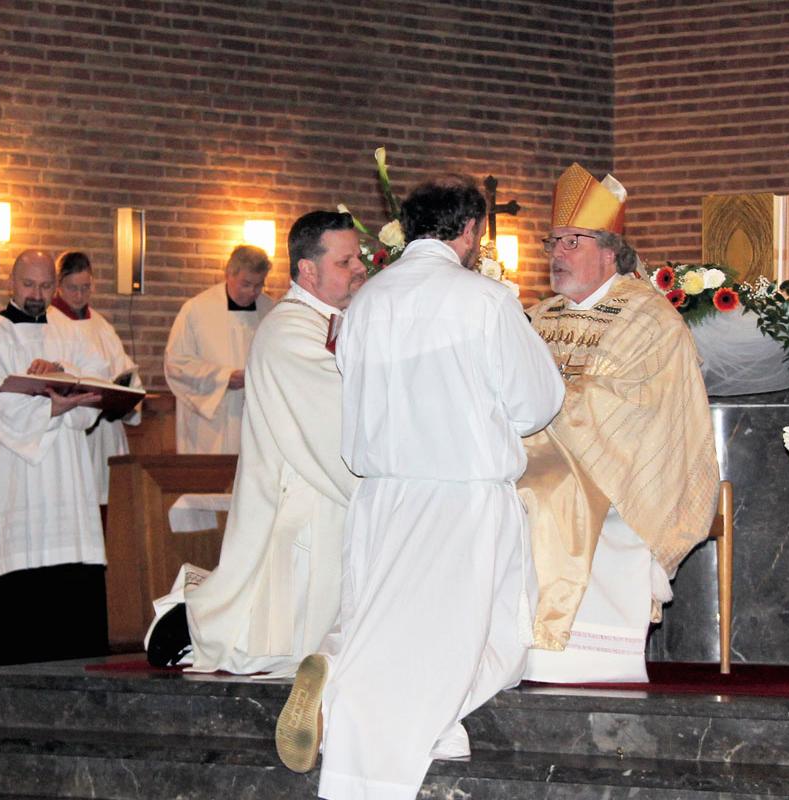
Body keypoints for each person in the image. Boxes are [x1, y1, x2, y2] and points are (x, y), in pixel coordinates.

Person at [275, 177, 565, 798]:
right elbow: (537, 399)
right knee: (484, 633)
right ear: (469, 231)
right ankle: (382, 731)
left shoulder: (367, 303)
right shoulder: (484, 300)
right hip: (462, 497)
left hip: (382, 496)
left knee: (388, 624)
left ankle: (381, 697)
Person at [517, 163, 719, 684]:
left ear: (609, 250)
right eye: (553, 241)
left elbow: (633, 409)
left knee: (540, 493)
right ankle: (505, 642)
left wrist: (534, 418)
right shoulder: (540, 316)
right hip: (534, 454)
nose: (557, 253)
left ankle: (566, 652)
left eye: (572, 242)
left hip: (616, 468)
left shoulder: (648, 318)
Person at [146, 210, 366, 676]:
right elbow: (336, 409)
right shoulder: (290, 329)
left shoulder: (328, 321)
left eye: (359, 258)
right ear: (308, 269)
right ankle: (191, 621)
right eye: (346, 262)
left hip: (321, 495)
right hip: (306, 494)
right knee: (274, 645)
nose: (360, 269)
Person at [0, 250, 111, 668]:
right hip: (16, 484)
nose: (37, 294)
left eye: (46, 286)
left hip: (66, 484)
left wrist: (67, 389)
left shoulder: (68, 334)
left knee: (72, 605)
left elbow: (94, 388)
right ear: (12, 282)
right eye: (29, 284)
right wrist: (51, 407)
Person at [48, 250, 142, 510]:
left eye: (86, 288)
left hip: (107, 431)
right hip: (75, 431)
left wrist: (124, 400)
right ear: (59, 285)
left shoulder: (101, 325)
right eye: (72, 288)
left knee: (110, 507)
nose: (79, 295)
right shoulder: (48, 323)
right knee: (78, 503)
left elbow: (125, 370)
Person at [164, 244, 275, 454]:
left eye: (259, 285)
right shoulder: (197, 310)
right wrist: (224, 377)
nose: (253, 292)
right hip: (211, 426)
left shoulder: (271, 311)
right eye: (246, 284)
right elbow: (177, 364)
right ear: (229, 274)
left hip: (256, 421)